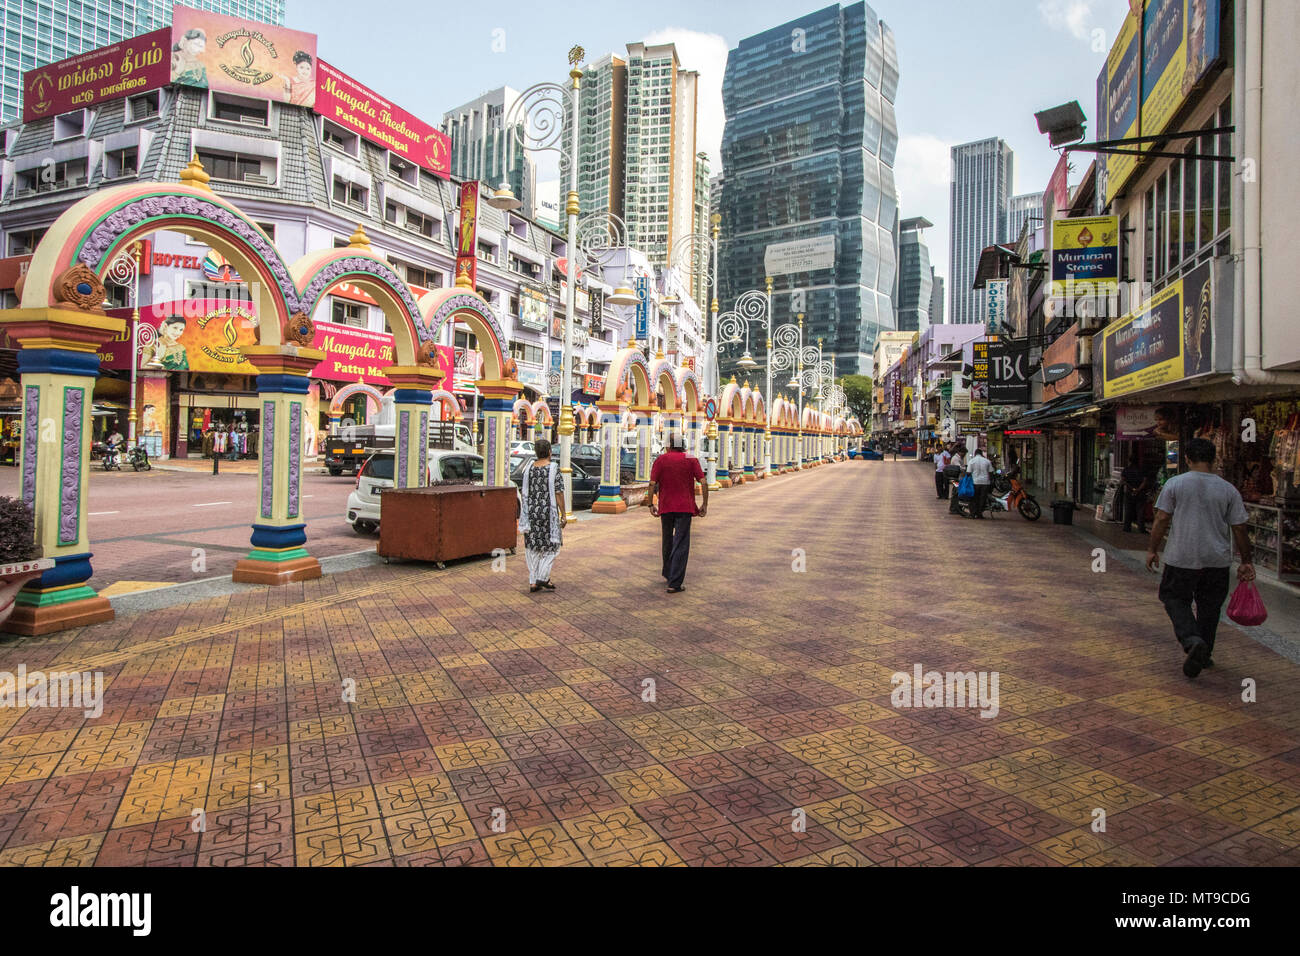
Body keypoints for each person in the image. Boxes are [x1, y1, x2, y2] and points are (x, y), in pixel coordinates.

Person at [1145, 438, 1254, 679]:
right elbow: (1239, 528)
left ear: (1187, 459)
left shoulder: (1175, 484)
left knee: (1174, 598)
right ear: (1214, 460)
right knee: (1210, 606)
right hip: (1217, 560)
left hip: (1181, 556)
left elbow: (1162, 519)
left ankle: (1192, 640)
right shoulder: (1228, 489)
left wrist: (1152, 549)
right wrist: (1246, 560)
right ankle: (1204, 652)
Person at [649, 431, 707, 594]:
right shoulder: (691, 459)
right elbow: (703, 481)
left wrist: (650, 504)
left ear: (668, 445)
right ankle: (675, 582)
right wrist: (705, 504)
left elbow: (652, 483)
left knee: (667, 540)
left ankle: (668, 573)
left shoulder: (661, 460)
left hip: (666, 506)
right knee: (681, 542)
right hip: (685, 507)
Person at [519, 438, 566, 593]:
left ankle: (533, 581)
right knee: (552, 546)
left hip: (531, 513)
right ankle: (543, 577)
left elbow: (525, 491)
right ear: (550, 453)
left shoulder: (528, 469)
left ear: (536, 453)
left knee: (533, 547)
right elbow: (559, 493)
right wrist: (563, 514)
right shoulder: (553, 469)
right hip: (548, 515)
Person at [1121, 451, 1152, 534]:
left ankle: (1127, 527)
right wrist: (1138, 489)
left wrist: (1131, 488)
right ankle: (1141, 528)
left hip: (1129, 493)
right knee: (1140, 511)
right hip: (1140, 493)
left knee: (1128, 510)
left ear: (1129, 460)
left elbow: (1123, 481)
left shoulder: (1126, 470)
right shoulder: (1142, 469)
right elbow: (1145, 481)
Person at [966, 448, 994, 518]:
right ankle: (979, 513)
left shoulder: (971, 461)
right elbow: (991, 473)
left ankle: (972, 514)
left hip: (975, 482)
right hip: (985, 483)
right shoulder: (987, 461)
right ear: (981, 454)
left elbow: (968, 473)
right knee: (982, 499)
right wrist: (991, 481)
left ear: (975, 454)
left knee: (974, 498)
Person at [947, 444, 968, 515]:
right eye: (964, 454)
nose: (964, 455)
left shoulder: (959, 458)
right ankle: (953, 508)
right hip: (955, 479)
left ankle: (956, 508)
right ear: (960, 452)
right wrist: (965, 468)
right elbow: (959, 468)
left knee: (957, 493)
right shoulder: (956, 458)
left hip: (958, 478)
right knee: (956, 493)